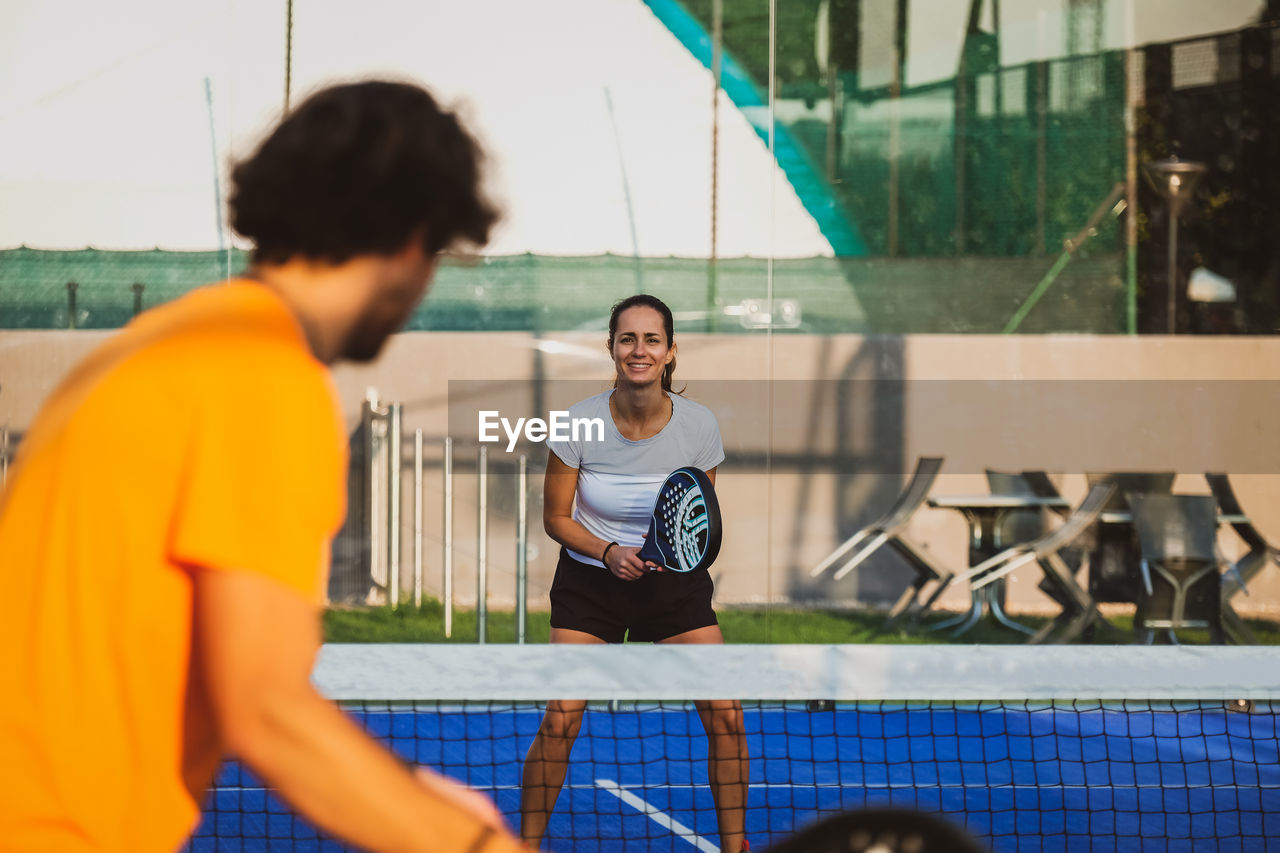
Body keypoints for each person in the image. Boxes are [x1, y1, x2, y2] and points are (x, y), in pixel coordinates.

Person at [0, 80, 523, 853]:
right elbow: (267, 709)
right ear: (414, 237)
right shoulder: (265, 377)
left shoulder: (153, 347)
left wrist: (406, 798)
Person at [519, 294, 750, 851]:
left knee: (727, 716)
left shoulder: (698, 427)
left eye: (652, 339)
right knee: (560, 719)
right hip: (590, 583)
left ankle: (736, 847)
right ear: (612, 348)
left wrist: (661, 556)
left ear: (671, 351)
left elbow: (697, 513)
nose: (639, 350)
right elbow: (555, 518)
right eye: (628, 339)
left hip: (671, 585)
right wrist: (607, 552)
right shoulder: (580, 424)